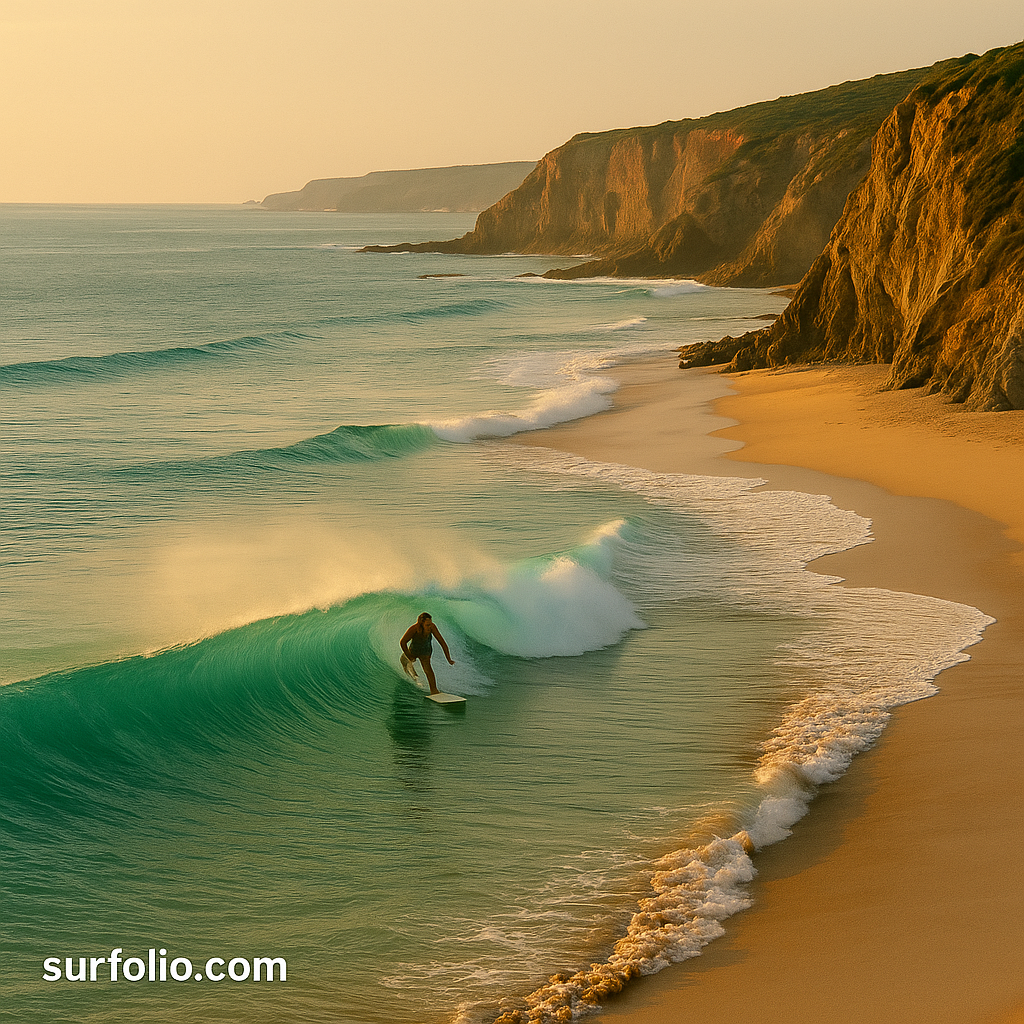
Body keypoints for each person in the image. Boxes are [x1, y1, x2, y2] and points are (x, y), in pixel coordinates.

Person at [400, 612, 454, 695]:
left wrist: (448, 659)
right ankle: (414, 678)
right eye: (427, 625)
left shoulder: (432, 627)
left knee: (428, 669)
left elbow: (442, 643)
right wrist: (409, 656)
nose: (430, 627)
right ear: (421, 624)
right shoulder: (414, 629)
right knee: (403, 660)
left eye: (430, 624)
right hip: (414, 650)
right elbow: (403, 642)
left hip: (425, 651)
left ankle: (434, 690)